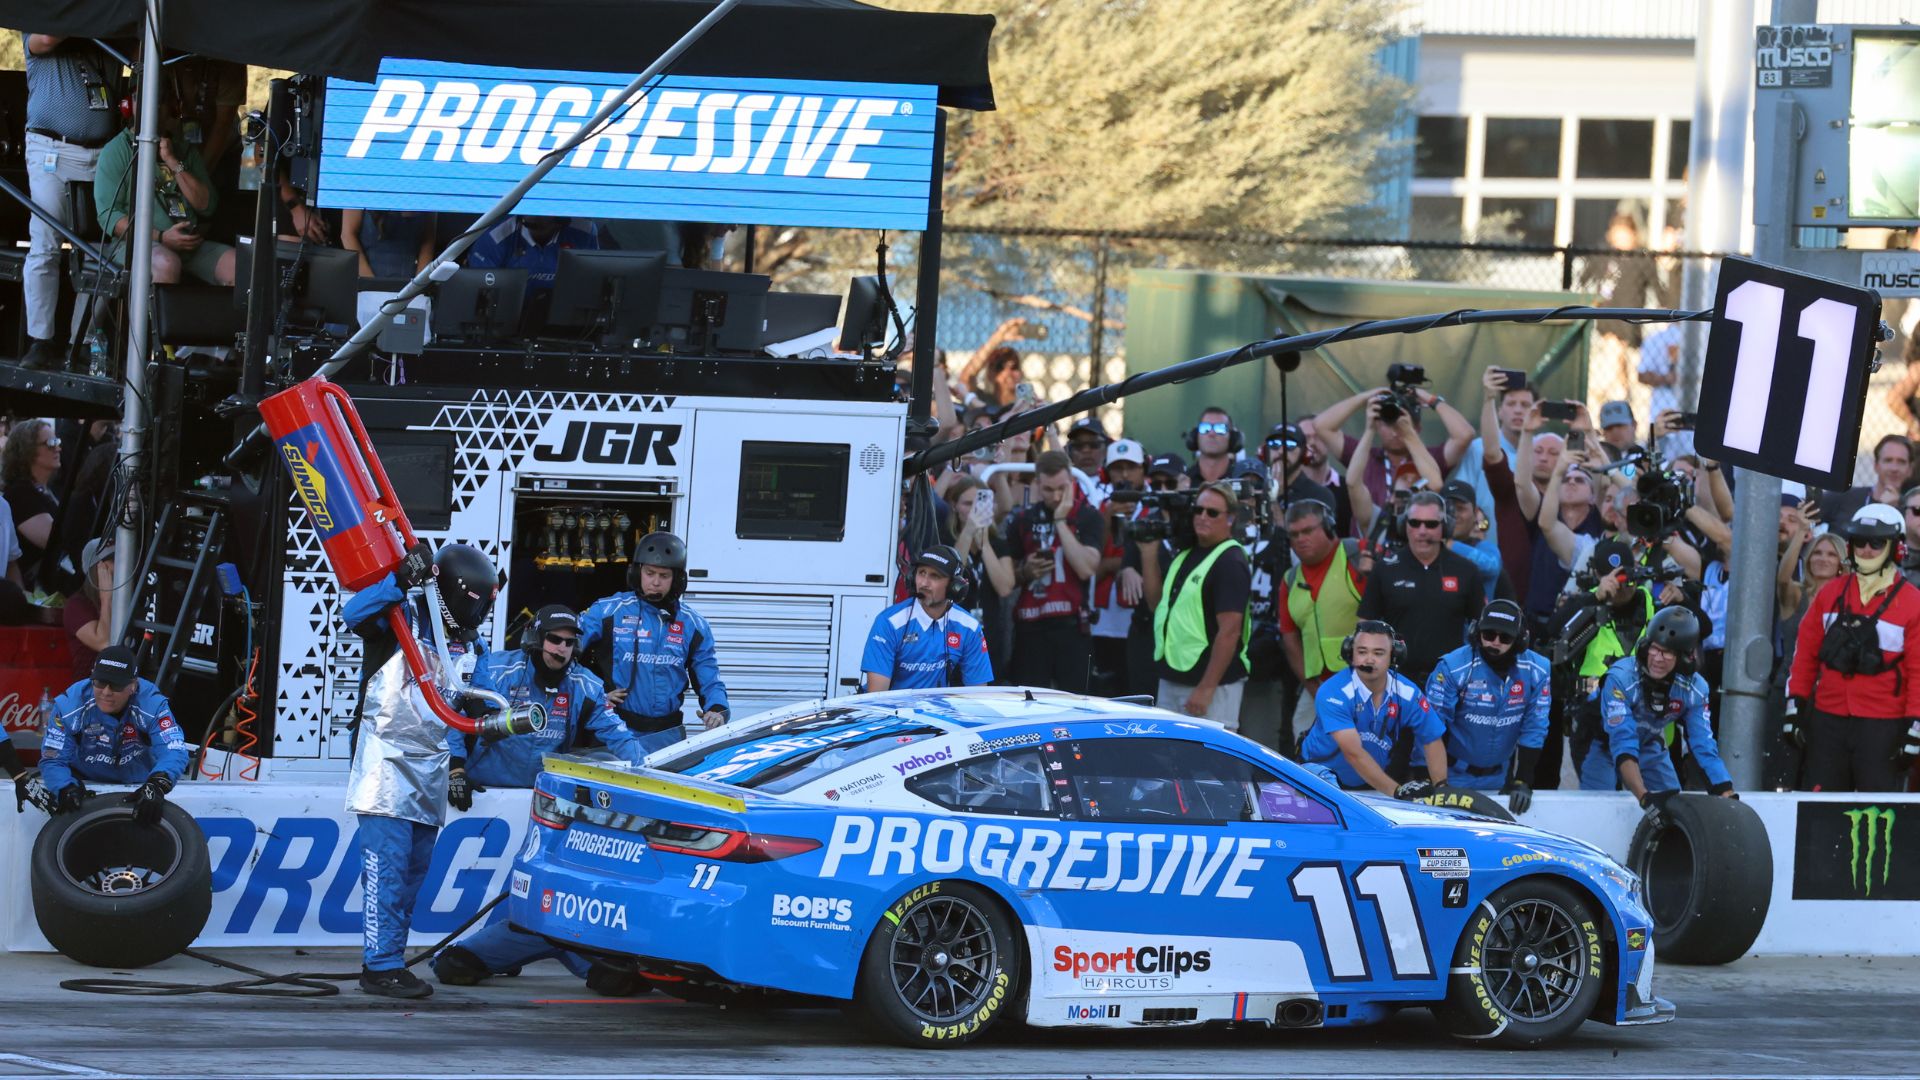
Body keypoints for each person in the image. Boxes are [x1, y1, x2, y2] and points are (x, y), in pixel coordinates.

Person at [432, 604, 647, 995]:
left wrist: (648, 774)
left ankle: (524, 951)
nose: (561, 649)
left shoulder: (586, 685)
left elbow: (621, 738)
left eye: (569, 642)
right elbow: (452, 718)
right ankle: (484, 949)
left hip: (540, 807)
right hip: (484, 801)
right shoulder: (494, 669)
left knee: (534, 896)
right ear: (536, 638)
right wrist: (456, 770)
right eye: (554, 639)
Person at [341, 543, 498, 999]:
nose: (482, 611)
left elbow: (474, 701)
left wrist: (484, 739)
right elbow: (354, 614)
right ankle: (381, 965)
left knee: (414, 870)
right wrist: (398, 582)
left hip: (431, 762)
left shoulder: (472, 644)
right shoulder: (400, 616)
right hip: (384, 758)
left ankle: (390, 955)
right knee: (386, 868)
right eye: (479, 600)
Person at [1786, 503, 1920, 792]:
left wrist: (1915, 727)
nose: (1867, 550)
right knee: (1820, 808)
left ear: (1896, 549)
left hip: (1883, 724)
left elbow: (1918, 672)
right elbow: (1804, 656)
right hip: (1827, 719)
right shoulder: (1830, 594)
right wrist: (1794, 705)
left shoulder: (1913, 603)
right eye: (1860, 542)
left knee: (1876, 812)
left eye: (1876, 543)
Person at [20, 32, 120, 371]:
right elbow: (45, 39)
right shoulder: (45, 16)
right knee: (46, 243)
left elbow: (140, 49)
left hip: (105, 152)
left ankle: (83, 343)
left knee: (103, 250)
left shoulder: (110, 25)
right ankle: (40, 340)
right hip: (51, 149)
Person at [579, 531, 729, 753]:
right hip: (614, 730)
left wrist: (717, 710)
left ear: (677, 578)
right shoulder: (608, 611)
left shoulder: (693, 624)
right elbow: (563, 650)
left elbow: (710, 679)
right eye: (650, 573)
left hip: (667, 736)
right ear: (637, 572)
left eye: (664, 575)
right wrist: (593, 695)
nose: (655, 582)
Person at [93, 80, 234, 286]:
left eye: (157, 100)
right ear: (128, 105)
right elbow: (108, 216)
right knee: (166, 263)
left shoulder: (184, 149)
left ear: (171, 107)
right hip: (139, 245)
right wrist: (159, 237)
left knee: (239, 265)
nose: (149, 106)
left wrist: (172, 160)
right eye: (138, 98)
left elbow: (207, 205)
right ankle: (149, 319)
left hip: (189, 246)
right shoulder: (116, 150)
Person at [1593, 607, 1736, 805]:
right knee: (1602, 803)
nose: (1658, 659)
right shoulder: (1621, 678)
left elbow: (1703, 743)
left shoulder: (1695, 688)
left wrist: (1725, 791)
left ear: (1685, 658)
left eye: (1668, 653)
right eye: (1655, 649)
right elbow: (1622, 740)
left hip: (1648, 742)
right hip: (1600, 742)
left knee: (1672, 803)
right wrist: (1644, 798)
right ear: (1645, 647)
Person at [1139, 481, 1251, 726]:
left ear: (1230, 519)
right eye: (1198, 510)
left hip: (1211, 685)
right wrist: (1148, 554)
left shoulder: (1230, 561)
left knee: (1211, 761)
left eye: (1212, 512)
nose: (1203, 517)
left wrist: (1207, 687)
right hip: (1173, 677)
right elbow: (1155, 604)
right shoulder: (1186, 554)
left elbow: (1230, 631)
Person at [34, 645, 187, 820]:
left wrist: (157, 785)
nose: (106, 692)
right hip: (85, 787)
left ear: (133, 685)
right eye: (100, 682)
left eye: (116, 685)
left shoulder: (152, 705)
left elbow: (174, 749)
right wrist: (64, 788)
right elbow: (52, 757)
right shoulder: (70, 705)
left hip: (139, 787)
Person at [1356, 490, 1492, 684]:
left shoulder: (1466, 570)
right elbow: (1364, 627)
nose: (1422, 530)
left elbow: (1482, 630)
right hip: (1396, 682)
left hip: (1451, 683)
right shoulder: (1384, 569)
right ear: (1405, 525)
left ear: (1444, 527)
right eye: (1415, 523)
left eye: (1431, 524)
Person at [1299, 620, 1448, 795]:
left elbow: (1432, 739)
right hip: (1317, 777)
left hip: (1370, 781)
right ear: (1350, 654)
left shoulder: (1408, 693)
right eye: (1362, 652)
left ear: (1394, 656)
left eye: (1378, 653)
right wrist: (1396, 792)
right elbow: (1353, 753)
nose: (1369, 659)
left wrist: (1442, 790)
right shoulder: (1333, 691)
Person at [1425, 599, 1549, 808]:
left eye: (1505, 637)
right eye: (1488, 634)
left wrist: (1523, 779)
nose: (1495, 642)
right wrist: (1440, 783)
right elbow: (1432, 728)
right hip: (1453, 775)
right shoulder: (1453, 667)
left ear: (1520, 640)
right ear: (1476, 633)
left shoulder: (1538, 669)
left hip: (1501, 776)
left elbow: (1535, 726)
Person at [996, 451, 1103, 692]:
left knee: (1077, 704)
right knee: (1029, 703)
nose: (1056, 496)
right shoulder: (1022, 520)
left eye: (1062, 489)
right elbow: (1008, 577)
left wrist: (1060, 522)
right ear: (1037, 485)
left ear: (1072, 483)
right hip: (1030, 627)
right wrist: (1026, 571)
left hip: (1073, 627)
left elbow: (1086, 569)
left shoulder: (1088, 516)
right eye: (1048, 489)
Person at [1279, 499, 1367, 745]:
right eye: (1294, 534)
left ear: (1328, 527)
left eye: (1308, 531)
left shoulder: (1356, 555)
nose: (1300, 539)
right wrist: (1310, 685)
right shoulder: (1290, 579)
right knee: (1304, 738)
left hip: (1365, 682)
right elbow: (1289, 636)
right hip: (1317, 686)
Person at [1310, 382, 1474, 512]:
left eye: (1400, 422)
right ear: (1378, 425)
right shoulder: (1365, 455)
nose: (1395, 431)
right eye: (1389, 423)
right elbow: (1321, 425)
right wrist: (1367, 396)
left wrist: (1428, 398)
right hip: (1372, 544)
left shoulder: (1429, 458)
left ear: (1417, 428)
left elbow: (1465, 434)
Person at [863, 546, 993, 691]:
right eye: (921, 573)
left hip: (939, 712)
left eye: (934, 576)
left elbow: (978, 693)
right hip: (893, 711)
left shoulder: (969, 627)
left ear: (954, 586)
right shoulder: (889, 622)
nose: (924, 583)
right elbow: (876, 697)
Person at [1451, 366, 1537, 547]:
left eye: (1525, 405)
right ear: (1499, 410)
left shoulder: (1543, 451)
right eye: (1511, 404)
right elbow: (1463, 496)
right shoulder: (1477, 449)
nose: (1518, 410)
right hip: (1479, 547)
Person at [4, 419, 71, 593]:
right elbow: (53, 540)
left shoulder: (51, 490)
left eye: (57, 442)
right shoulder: (20, 494)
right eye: (50, 443)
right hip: (35, 592)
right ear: (27, 450)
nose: (57, 448)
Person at [466, 215, 599, 295]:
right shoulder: (495, 236)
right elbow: (478, 291)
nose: (536, 213)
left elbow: (593, 284)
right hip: (507, 322)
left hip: (566, 325)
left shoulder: (585, 231)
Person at [1819, 435, 1913, 527]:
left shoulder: (1913, 512)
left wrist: (1892, 509)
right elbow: (1807, 518)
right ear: (1876, 466)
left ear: (1909, 469)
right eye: (1888, 460)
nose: (1894, 468)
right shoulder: (1844, 496)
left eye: (1901, 462)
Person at [1440, 479, 1505, 601]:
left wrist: (1448, 544)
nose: (1454, 514)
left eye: (1460, 508)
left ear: (1475, 512)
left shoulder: (1484, 547)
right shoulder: (1428, 547)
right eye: (1448, 509)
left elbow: (1491, 565)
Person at [62, 538, 116, 675]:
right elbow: (104, 643)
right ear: (97, 568)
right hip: (92, 689)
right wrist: (106, 598)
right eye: (112, 560)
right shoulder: (77, 606)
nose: (121, 566)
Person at [343, 209, 439, 278]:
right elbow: (348, 235)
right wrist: (370, 282)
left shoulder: (427, 186)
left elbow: (428, 239)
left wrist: (419, 284)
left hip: (411, 283)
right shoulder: (358, 184)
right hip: (367, 280)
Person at [1185, 406, 1255, 485]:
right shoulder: (1184, 481)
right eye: (1205, 428)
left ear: (1232, 438)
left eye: (1220, 428)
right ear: (1195, 436)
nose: (1211, 433)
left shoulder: (1241, 481)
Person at [1065, 418, 1111, 503]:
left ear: (1106, 450)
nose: (1086, 450)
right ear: (1069, 452)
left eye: (1094, 444)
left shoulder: (1116, 482)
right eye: (1078, 445)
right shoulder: (1061, 486)